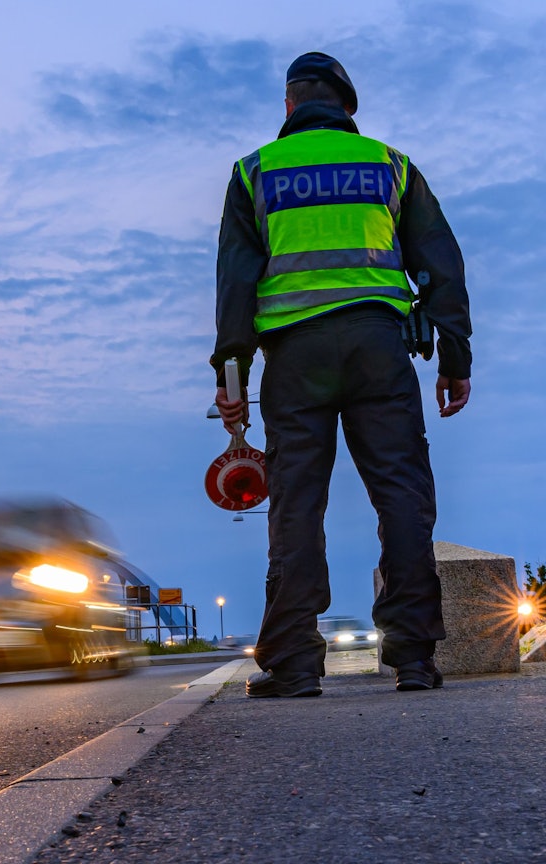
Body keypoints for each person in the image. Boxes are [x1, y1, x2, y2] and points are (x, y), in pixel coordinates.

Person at [211, 52, 472, 697]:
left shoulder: (254, 172)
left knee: (297, 505)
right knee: (402, 495)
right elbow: (443, 262)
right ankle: (414, 658)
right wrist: (455, 358)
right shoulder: (390, 165)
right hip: (378, 349)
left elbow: (237, 285)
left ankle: (295, 663)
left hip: (294, 360)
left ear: (290, 106)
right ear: (346, 107)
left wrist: (232, 375)